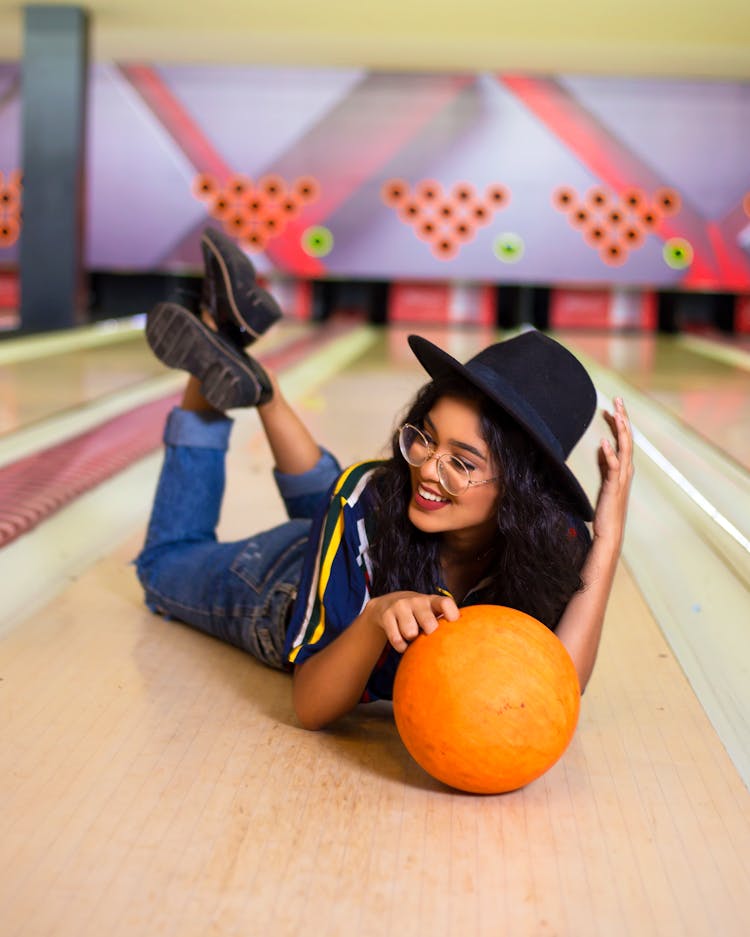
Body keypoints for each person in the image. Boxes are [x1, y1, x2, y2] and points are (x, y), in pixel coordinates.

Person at [137, 227, 634, 731]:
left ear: (523, 490)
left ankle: (261, 388)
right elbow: (311, 707)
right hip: (282, 586)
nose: (426, 468)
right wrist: (376, 618)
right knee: (163, 566)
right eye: (426, 437)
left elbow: (559, 684)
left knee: (353, 504)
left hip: (354, 546)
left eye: (462, 463)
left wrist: (609, 538)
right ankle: (215, 336)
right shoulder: (371, 499)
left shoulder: (554, 538)